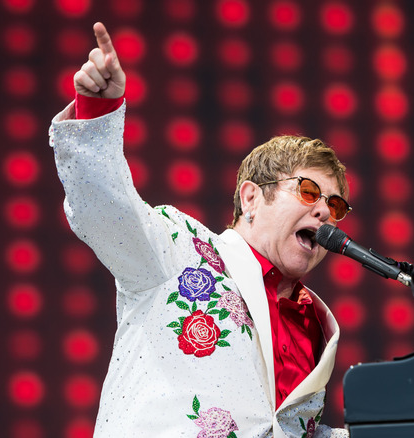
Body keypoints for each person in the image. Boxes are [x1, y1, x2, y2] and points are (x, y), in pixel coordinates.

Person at [49, 22, 351, 438]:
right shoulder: (182, 248)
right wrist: (99, 112)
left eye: (335, 206)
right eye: (308, 192)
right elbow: (106, 210)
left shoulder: (316, 325)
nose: (323, 213)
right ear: (250, 198)